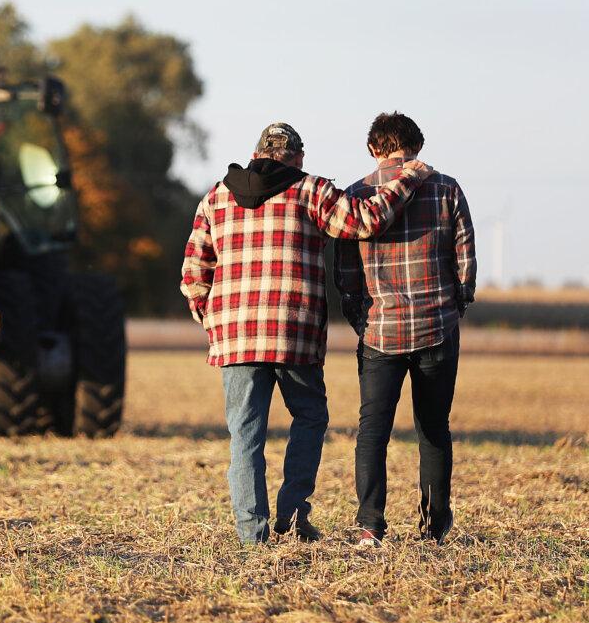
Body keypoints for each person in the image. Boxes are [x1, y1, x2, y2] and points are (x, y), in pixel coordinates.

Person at [180, 123, 434, 545]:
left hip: (235, 340)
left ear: (256, 154)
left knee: (245, 435)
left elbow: (193, 275)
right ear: (296, 157)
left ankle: (252, 533)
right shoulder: (310, 190)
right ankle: (294, 515)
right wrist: (409, 177)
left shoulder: (216, 197)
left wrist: (214, 322)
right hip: (294, 333)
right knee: (311, 418)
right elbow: (365, 220)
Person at [334, 112, 476, 548]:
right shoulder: (447, 187)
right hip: (437, 328)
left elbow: (345, 275)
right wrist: (454, 309)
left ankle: (370, 525)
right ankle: (434, 526)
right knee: (433, 427)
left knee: (372, 430)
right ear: (417, 146)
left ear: (374, 149)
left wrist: (363, 320)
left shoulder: (356, 195)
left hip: (379, 332)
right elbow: (465, 263)